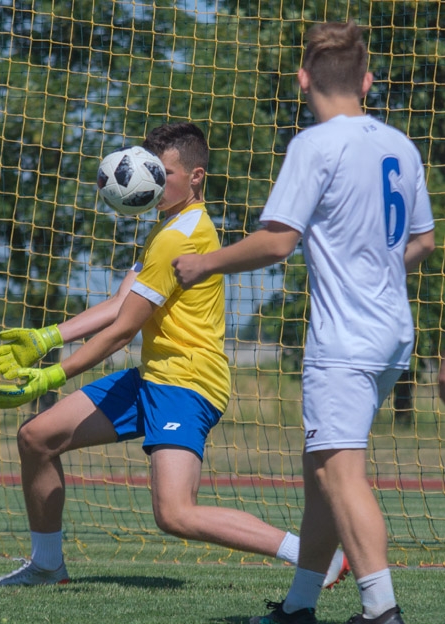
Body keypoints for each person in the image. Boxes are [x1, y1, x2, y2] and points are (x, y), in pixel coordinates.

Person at [0, 122, 348, 590]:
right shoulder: (168, 226)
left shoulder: (181, 235)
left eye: (164, 172)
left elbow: (122, 331)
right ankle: (47, 566)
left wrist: (54, 374)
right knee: (37, 437)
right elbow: (121, 302)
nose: (153, 182)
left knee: (174, 513)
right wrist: (46, 337)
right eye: (149, 170)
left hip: (186, 383)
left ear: (195, 176)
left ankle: (315, 557)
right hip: (154, 375)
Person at [172, 22, 435, 624]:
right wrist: (371, 265)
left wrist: (206, 264)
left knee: (341, 475)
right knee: (321, 474)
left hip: (344, 340)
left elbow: (277, 241)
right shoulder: (400, 145)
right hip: (393, 333)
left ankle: (381, 610)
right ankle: (298, 608)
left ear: (303, 79)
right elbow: (422, 239)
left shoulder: (314, 146)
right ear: (366, 81)